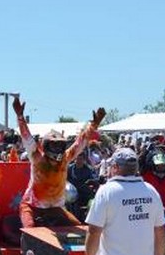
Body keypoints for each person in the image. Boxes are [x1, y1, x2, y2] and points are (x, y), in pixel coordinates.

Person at [13, 95, 105, 229]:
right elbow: (26, 137)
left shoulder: (66, 158)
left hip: (55, 209)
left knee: (78, 228)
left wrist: (94, 125)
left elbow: (80, 142)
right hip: (31, 206)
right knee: (31, 229)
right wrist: (20, 117)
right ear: (46, 146)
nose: (57, 149)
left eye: (60, 145)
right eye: (54, 145)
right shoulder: (38, 157)